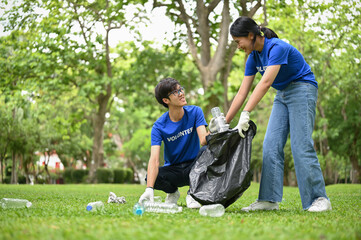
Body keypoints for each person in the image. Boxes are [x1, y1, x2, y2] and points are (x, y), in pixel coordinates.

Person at [225, 16, 331, 212]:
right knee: (270, 145)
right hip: (282, 93)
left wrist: (246, 113)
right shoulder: (253, 58)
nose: (238, 46)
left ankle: (319, 198)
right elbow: (242, 91)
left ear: (250, 35)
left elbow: (265, 83)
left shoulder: (277, 48)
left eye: (238, 42)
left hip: (302, 88)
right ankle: (269, 199)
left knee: (301, 145)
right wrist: (225, 121)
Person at [138, 77, 208, 208]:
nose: (181, 93)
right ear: (166, 100)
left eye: (181, 89)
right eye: (175, 92)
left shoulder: (195, 112)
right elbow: (154, 160)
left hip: (194, 166)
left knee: (207, 152)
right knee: (152, 178)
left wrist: (214, 130)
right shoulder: (159, 126)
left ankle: (193, 193)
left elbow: (204, 141)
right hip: (174, 170)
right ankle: (172, 193)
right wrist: (149, 189)